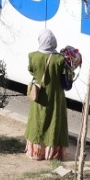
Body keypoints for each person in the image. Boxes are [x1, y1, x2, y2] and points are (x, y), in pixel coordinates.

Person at [25, 29, 70, 161]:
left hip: (39, 95)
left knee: (37, 121)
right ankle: (53, 154)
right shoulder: (60, 59)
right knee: (54, 122)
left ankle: (36, 153)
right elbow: (66, 77)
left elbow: (31, 71)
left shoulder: (33, 56)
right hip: (56, 97)